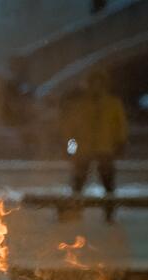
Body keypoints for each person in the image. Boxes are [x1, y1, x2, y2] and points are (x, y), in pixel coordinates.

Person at [60, 70, 128, 198]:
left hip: (105, 147)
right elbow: (70, 130)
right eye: (94, 84)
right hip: (84, 148)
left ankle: (109, 210)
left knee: (108, 180)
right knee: (79, 180)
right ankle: (75, 208)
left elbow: (121, 126)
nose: (96, 87)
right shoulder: (79, 105)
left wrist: (120, 143)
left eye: (99, 84)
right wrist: (71, 148)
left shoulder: (113, 103)